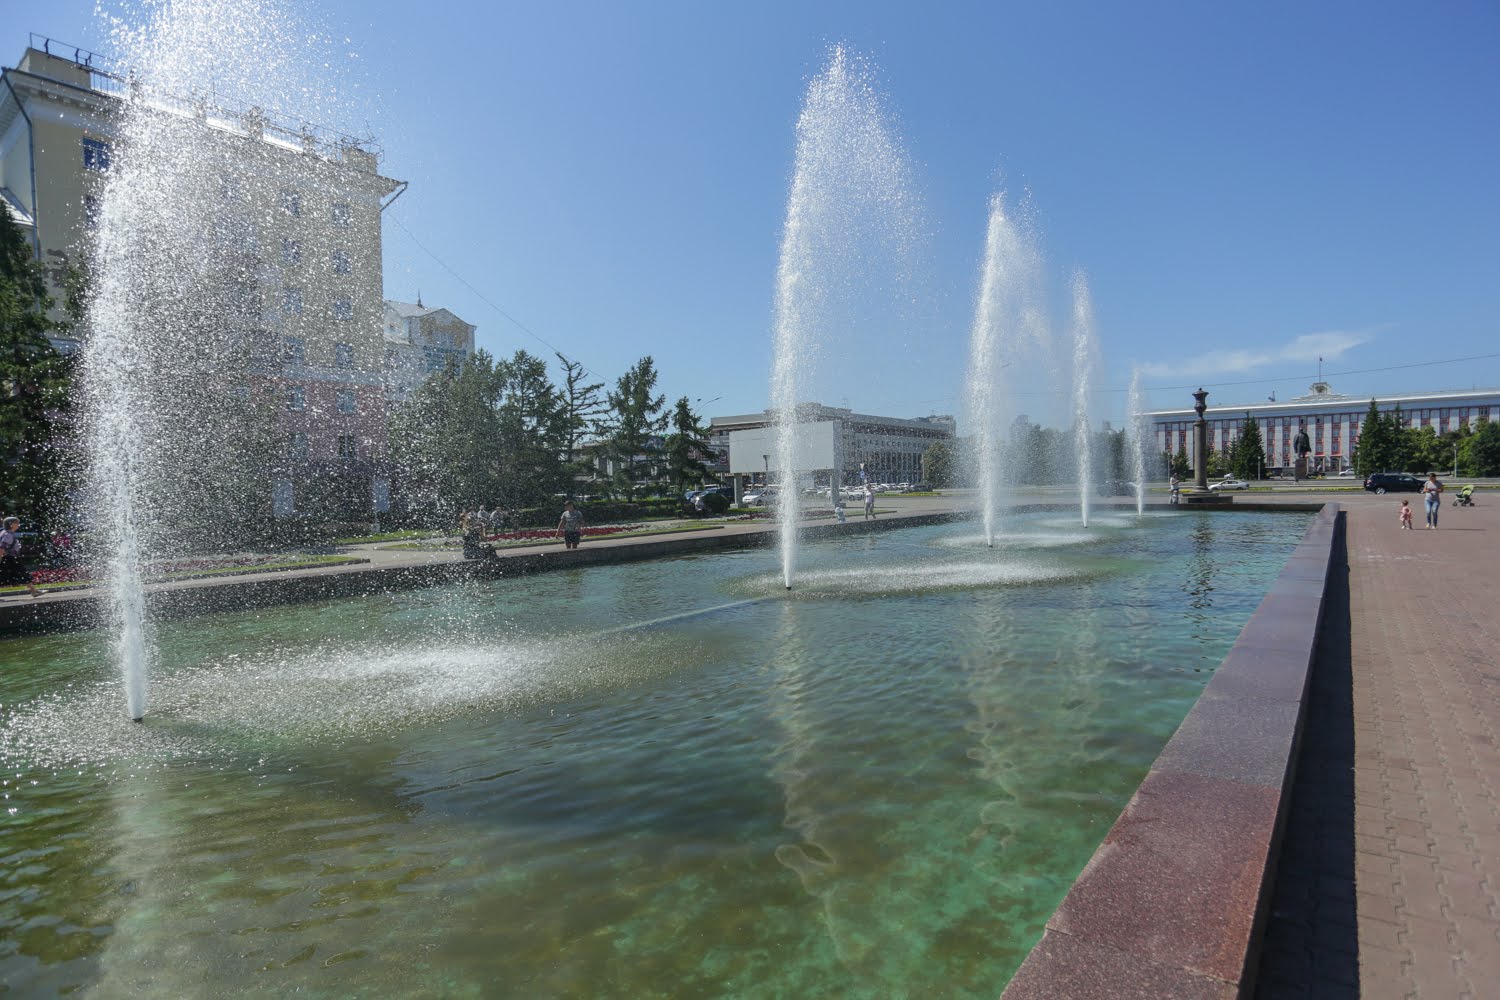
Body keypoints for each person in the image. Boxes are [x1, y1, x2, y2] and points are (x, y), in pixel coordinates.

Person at [0, 517, 41, 598]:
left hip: (9, 558)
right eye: (16, 523)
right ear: (11, 524)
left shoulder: (6, 533)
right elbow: (2, 549)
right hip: (9, 559)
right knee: (21, 573)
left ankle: (34, 591)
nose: (18, 525)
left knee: (21, 574)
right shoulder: (7, 535)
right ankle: (34, 591)